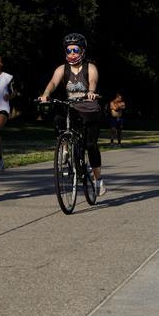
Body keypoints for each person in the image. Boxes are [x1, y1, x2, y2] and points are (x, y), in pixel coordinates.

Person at [38, 33, 106, 196]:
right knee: (59, 117)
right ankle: (65, 147)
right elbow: (54, 82)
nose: (72, 54)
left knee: (90, 145)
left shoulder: (90, 67)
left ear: (82, 51)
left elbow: (93, 82)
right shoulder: (62, 69)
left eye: (75, 50)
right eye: (69, 51)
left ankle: (98, 181)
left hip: (90, 110)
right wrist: (46, 93)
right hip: (73, 108)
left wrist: (91, 92)